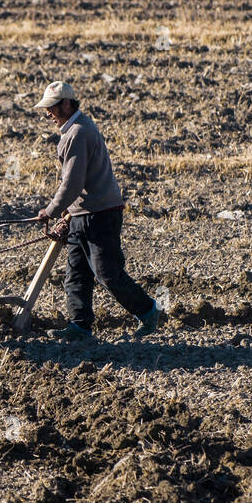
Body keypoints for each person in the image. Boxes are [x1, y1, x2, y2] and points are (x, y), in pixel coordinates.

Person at [33, 80, 163, 341]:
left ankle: (148, 311)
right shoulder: (75, 130)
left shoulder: (79, 132)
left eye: (52, 108)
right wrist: (68, 216)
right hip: (82, 214)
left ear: (67, 104)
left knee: (107, 273)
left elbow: (72, 183)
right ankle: (79, 327)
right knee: (76, 273)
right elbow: (78, 185)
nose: (48, 114)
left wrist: (51, 210)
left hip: (101, 213)